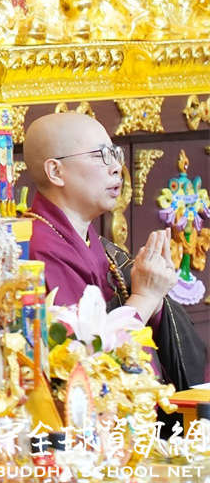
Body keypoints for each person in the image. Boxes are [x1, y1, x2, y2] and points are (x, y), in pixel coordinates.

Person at [24, 112, 206, 390]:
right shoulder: (39, 247)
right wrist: (145, 296)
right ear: (56, 172)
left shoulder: (91, 242)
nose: (116, 168)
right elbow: (80, 363)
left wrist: (154, 294)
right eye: (100, 156)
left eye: (114, 154)